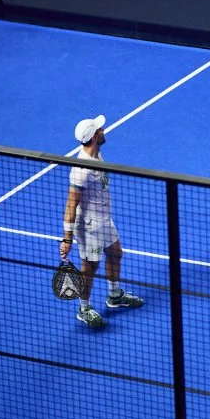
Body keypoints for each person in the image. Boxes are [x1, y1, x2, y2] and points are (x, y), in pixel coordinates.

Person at [60, 115, 143, 330]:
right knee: (89, 268)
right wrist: (67, 238)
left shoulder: (96, 154)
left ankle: (114, 296)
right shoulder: (81, 170)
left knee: (116, 253)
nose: (103, 129)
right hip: (89, 227)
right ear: (94, 137)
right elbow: (71, 205)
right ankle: (84, 308)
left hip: (104, 220)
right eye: (99, 129)